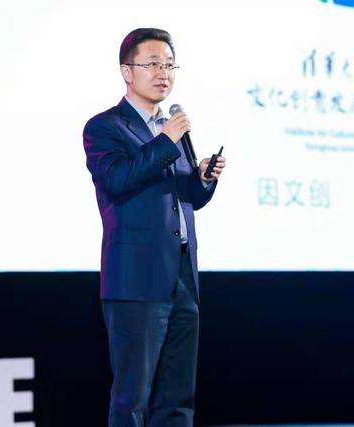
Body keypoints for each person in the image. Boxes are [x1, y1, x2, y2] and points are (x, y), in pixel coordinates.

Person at [82, 27, 226, 427]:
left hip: (181, 276)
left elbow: (186, 199)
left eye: (169, 65)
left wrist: (203, 179)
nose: (163, 73)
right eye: (152, 64)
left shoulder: (170, 128)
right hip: (136, 280)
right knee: (133, 397)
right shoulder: (105, 127)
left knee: (177, 398)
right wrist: (166, 140)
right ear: (127, 72)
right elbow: (118, 180)